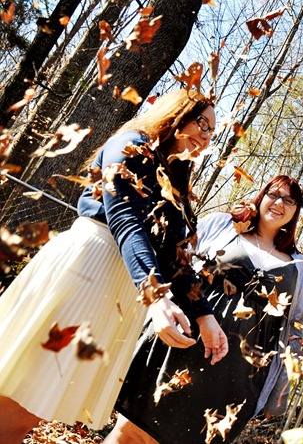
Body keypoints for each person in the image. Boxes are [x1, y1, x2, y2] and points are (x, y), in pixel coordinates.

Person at [0, 89, 220, 443]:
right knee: (20, 398)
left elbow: (174, 256)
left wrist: (204, 315)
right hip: (88, 270)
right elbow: (125, 217)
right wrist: (154, 294)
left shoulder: (174, 182)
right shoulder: (131, 144)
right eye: (202, 123)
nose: (206, 136)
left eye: (212, 132)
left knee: (34, 405)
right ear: (177, 113)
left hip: (121, 292)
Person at [106, 175, 303, 444]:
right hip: (184, 343)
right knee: (131, 430)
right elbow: (175, 261)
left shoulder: (298, 266)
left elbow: (292, 329)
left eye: (289, 200)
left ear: (296, 211)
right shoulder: (222, 225)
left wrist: (278, 393)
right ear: (262, 197)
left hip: (234, 376)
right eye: (273, 194)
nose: (279, 203)